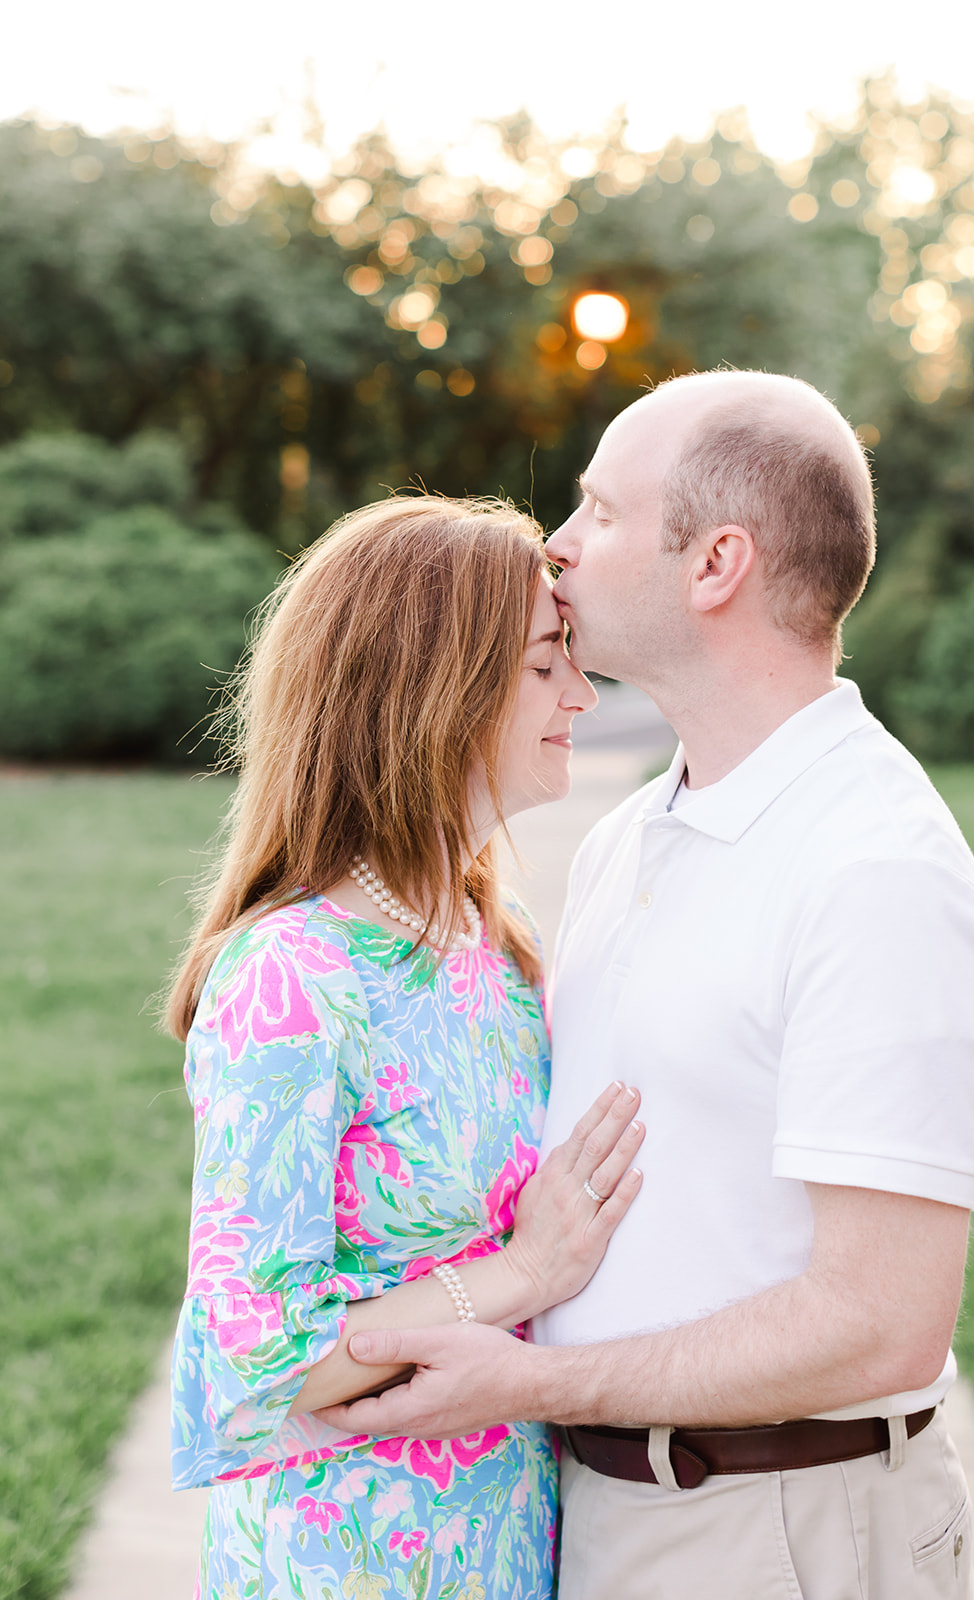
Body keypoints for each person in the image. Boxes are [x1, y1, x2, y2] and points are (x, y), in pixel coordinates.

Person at [322, 372, 974, 1600]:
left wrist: (533, 1383)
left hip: (784, 1526)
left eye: (598, 508)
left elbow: (881, 1319)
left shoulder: (875, 869)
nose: (559, 543)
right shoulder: (628, 837)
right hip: (603, 1512)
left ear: (717, 564)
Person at [165, 495, 647, 1600]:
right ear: (433, 689)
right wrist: (521, 1272)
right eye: (542, 666)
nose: (581, 695)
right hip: (349, 1557)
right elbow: (260, 1363)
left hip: (508, 1539)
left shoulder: (498, 945)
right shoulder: (293, 978)